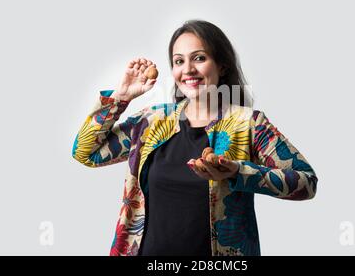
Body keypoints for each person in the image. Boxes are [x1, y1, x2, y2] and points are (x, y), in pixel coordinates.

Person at [71, 20, 318, 256]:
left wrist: (237, 173)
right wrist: (120, 97)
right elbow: (86, 153)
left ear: (222, 66)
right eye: (179, 61)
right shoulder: (152, 121)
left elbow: (306, 183)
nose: (188, 69)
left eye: (199, 58)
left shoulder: (248, 124)